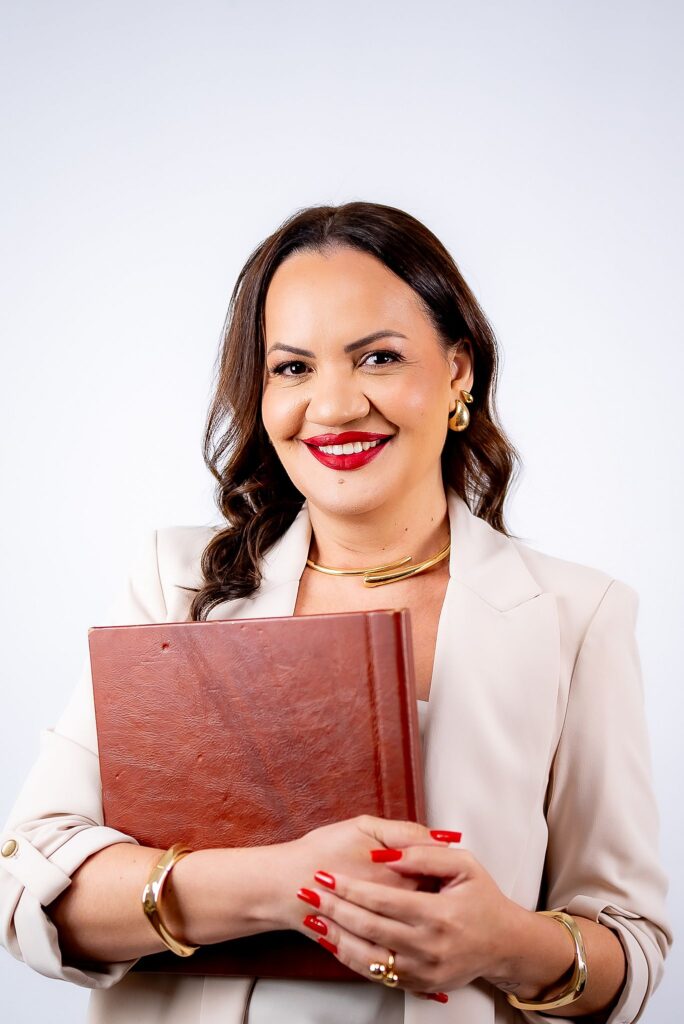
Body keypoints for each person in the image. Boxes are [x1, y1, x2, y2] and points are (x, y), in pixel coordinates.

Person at [0, 201, 672, 1024]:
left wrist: (504, 942)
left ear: (458, 371)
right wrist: (284, 884)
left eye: (378, 358)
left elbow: (632, 947)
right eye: (292, 368)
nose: (334, 405)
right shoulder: (174, 585)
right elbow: (28, 884)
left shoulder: (577, 616)